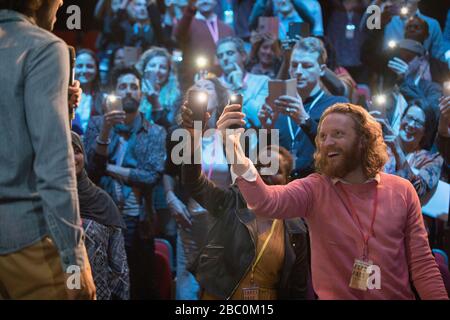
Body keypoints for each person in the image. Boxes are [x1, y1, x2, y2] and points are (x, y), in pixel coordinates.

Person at [218, 102, 449, 299]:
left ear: (363, 141)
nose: (327, 142)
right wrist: (234, 150)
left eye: (338, 134)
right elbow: (264, 202)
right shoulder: (314, 188)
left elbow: (422, 266)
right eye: (323, 136)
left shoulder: (402, 190)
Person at [0, 0, 95, 299]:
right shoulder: (44, 48)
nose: (62, 2)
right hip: (28, 242)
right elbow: (55, 167)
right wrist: (74, 263)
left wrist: (59, 107)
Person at [180, 104, 310, 300]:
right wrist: (193, 136)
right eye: (260, 167)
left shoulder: (296, 226)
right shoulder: (233, 202)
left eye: (275, 170)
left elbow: (298, 288)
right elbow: (193, 181)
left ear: (287, 180)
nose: (266, 173)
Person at [84, 67, 166, 299]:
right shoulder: (96, 124)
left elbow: (151, 176)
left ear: (141, 94)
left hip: (138, 220)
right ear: (115, 92)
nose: (129, 91)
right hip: (100, 218)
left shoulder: (155, 132)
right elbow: (90, 172)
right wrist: (106, 130)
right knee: (102, 284)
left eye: (134, 87)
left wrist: (108, 168)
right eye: (123, 86)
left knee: (141, 284)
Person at [164, 76, 231, 299]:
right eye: (197, 88)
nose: (202, 90)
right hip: (190, 219)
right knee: (188, 281)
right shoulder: (180, 134)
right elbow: (169, 172)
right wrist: (171, 197)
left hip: (223, 219)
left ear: (220, 97)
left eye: (208, 87)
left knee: (221, 281)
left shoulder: (230, 134)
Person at [259, 37, 348, 179]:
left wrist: (304, 120)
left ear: (322, 70)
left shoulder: (336, 106)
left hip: (320, 188)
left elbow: (338, 152)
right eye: (294, 65)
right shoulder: (280, 107)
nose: (298, 71)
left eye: (306, 66)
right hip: (284, 190)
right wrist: (266, 130)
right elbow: (265, 162)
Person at [71, 132, 130, 300]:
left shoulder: (101, 200)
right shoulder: (45, 200)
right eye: (65, 150)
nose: (72, 157)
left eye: (77, 151)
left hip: (100, 292)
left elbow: (120, 267)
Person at [381, 101, 442, 202]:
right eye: (409, 118)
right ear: (401, 119)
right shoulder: (381, 146)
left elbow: (417, 191)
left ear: (426, 131)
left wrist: (398, 152)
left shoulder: (431, 160)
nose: (411, 125)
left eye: (418, 122)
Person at [173, 0, 234, 87]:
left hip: (223, 82)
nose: (205, 1)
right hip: (194, 82)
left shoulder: (227, 28)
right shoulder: (187, 24)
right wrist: (190, 9)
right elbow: (178, 35)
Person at [217, 36, 270, 129]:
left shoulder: (263, 81)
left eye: (230, 53)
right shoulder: (214, 85)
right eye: (220, 56)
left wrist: (240, 88)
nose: (224, 58)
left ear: (243, 56)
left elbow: (260, 121)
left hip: (255, 140)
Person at [135, 47, 182, 130]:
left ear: (169, 73)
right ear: (144, 68)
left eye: (163, 67)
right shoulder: (134, 91)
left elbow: (171, 130)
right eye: (152, 65)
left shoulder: (176, 98)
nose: (157, 70)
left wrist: (155, 104)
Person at [73, 49, 105, 135]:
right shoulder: (63, 96)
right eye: (79, 66)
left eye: (89, 66)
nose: (84, 71)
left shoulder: (104, 99)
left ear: (97, 70)